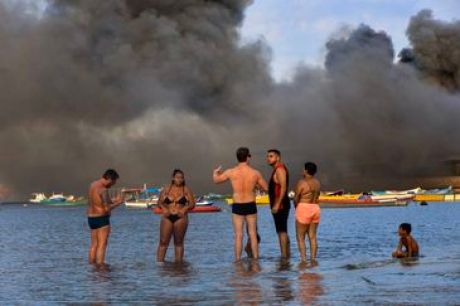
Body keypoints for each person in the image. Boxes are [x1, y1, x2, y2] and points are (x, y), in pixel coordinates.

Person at [213, 147, 268, 261]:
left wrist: (215, 173)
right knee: (252, 233)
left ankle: (237, 260)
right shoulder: (255, 173)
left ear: (238, 158)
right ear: (247, 157)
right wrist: (255, 185)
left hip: (238, 204)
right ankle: (256, 258)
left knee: (238, 235)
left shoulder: (231, 172)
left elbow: (216, 180)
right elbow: (267, 188)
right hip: (250, 204)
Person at [156, 169, 196, 263]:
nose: (180, 179)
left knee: (178, 242)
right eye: (177, 177)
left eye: (181, 178)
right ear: (173, 178)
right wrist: (164, 208)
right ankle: (159, 265)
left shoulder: (186, 189)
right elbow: (159, 203)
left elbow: (192, 204)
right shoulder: (166, 189)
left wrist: (184, 209)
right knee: (163, 242)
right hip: (167, 217)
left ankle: (178, 265)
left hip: (180, 217)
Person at [87, 169, 124, 266]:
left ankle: (91, 266)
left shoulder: (93, 185)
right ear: (110, 179)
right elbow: (107, 209)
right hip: (101, 219)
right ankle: (100, 267)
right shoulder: (103, 189)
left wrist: (113, 200)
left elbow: (98, 201)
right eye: (114, 182)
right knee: (102, 245)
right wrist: (118, 203)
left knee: (94, 244)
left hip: (91, 218)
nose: (113, 185)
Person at [294, 162, 321, 263]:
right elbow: (317, 196)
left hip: (304, 207)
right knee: (312, 236)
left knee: (300, 237)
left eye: (303, 169)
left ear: (306, 170)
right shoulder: (317, 183)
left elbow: (296, 198)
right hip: (315, 208)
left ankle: (304, 261)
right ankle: (313, 259)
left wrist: (296, 207)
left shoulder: (301, 182)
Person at [266, 149, 291, 258]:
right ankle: (287, 256)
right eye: (268, 156)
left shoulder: (280, 169)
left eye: (271, 156)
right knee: (282, 231)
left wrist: (277, 204)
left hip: (280, 205)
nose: (268, 158)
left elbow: (284, 188)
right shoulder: (277, 169)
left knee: (282, 231)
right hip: (279, 205)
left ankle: (284, 257)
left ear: (278, 157)